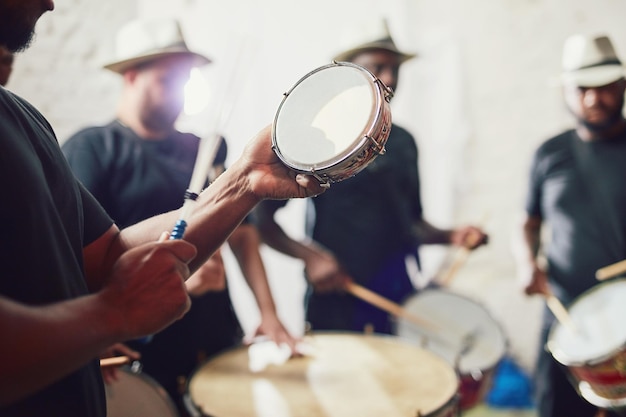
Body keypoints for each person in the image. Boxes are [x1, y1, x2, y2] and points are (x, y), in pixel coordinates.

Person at [0, 2, 324, 416]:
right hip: (148, 352)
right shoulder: (94, 147)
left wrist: (245, 182)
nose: (51, 2)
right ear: (132, 76)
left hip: (207, 328)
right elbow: (101, 292)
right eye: (170, 77)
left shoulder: (25, 119)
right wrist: (110, 317)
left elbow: (107, 256)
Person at [254, 19, 487, 335]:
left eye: (395, 69)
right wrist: (311, 257)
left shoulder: (404, 141)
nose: (390, 78)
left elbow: (411, 224)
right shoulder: (317, 137)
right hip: (337, 299)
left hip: (397, 295)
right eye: (378, 67)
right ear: (350, 74)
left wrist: (451, 236)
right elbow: (261, 222)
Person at [516, 33, 626, 417]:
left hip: (624, 315)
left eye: (604, 87)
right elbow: (527, 223)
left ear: (622, 86)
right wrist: (527, 263)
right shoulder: (549, 153)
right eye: (582, 88)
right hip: (566, 314)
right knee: (554, 408)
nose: (593, 99)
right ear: (566, 90)